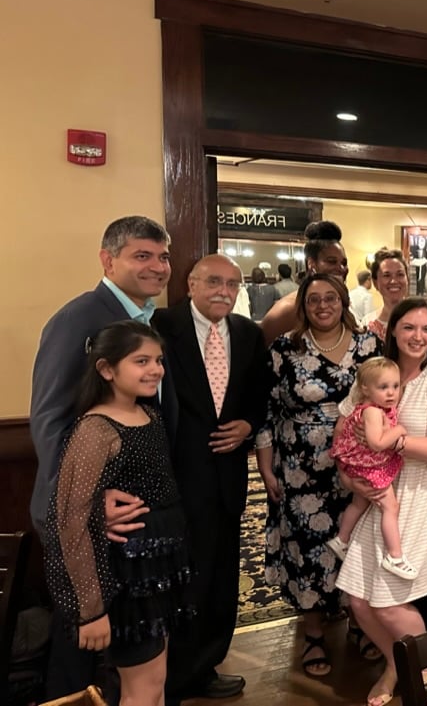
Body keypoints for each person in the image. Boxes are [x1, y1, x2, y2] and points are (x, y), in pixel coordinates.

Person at [29, 215, 177, 699]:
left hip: (140, 525)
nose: (157, 266)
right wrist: (90, 504)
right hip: (92, 519)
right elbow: (51, 419)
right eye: (142, 255)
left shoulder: (147, 320)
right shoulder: (79, 317)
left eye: (163, 256)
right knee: (85, 661)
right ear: (107, 259)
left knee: (134, 662)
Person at [44, 321, 191, 706]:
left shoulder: (149, 416)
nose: (155, 369)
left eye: (158, 360)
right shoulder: (96, 428)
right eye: (140, 361)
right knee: (141, 689)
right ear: (107, 369)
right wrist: (90, 609)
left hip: (156, 568)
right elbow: (70, 522)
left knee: (155, 681)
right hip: (127, 577)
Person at [335, 297, 427, 706]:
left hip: (423, 497)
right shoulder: (376, 373)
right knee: (358, 598)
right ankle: (399, 663)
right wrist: (349, 475)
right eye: (409, 327)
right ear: (391, 330)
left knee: (391, 601)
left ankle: (421, 666)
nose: (418, 336)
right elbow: (345, 431)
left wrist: (393, 442)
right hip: (378, 494)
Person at [154, 254, 270, 699]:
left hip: (226, 478)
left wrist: (247, 424)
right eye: (214, 282)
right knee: (182, 578)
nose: (224, 291)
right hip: (174, 477)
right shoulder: (162, 327)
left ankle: (205, 666)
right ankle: (172, 676)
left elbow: (259, 397)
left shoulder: (247, 333)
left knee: (221, 577)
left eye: (232, 284)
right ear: (191, 284)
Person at [255, 273, 382, 677]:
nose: (323, 306)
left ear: (344, 302)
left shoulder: (369, 346)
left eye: (331, 298)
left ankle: (359, 622)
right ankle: (312, 632)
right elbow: (267, 412)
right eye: (314, 300)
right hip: (300, 468)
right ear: (303, 307)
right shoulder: (285, 349)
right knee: (308, 549)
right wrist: (264, 466)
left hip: (358, 463)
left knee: (356, 545)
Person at [327, 357, 417, 580]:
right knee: (391, 508)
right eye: (383, 387)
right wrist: (399, 431)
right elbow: (376, 443)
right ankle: (395, 556)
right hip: (368, 466)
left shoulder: (376, 408)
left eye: (395, 386)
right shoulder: (373, 412)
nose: (391, 393)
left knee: (359, 503)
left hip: (360, 465)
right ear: (365, 389)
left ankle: (342, 539)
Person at [261, 220, 349, 343]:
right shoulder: (288, 310)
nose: (341, 269)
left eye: (344, 263)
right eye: (331, 261)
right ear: (311, 264)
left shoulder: (341, 304)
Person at [363, 249, 410, 341]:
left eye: (400, 274)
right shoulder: (367, 324)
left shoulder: (422, 320)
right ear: (375, 283)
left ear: (407, 279)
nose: (394, 281)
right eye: (387, 275)